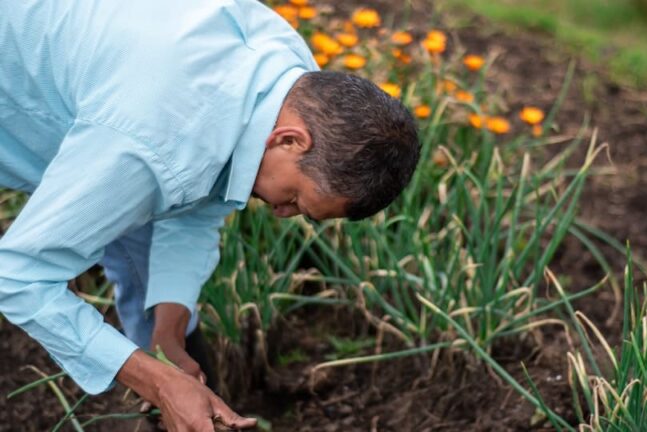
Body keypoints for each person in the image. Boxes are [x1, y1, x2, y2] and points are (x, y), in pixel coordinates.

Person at [0, 0, 420, 430]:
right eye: (295, 199)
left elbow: (199, 198)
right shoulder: (152, 141)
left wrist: (167, 335)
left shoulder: (292, 85)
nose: (281, 213)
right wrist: (157, 382)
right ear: (290, 140)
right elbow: (20, 276)